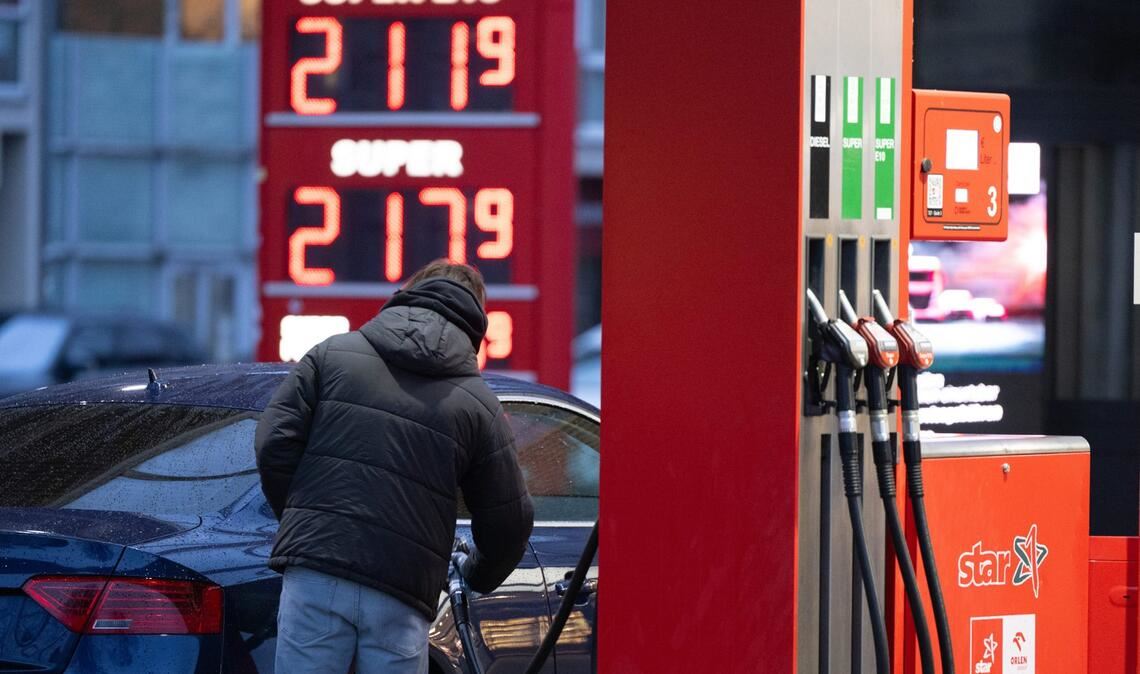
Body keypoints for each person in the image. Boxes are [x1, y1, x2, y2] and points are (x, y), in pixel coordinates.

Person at [255, 260, 534, 674]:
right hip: (401, 591)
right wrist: (477, 574)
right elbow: (510, 521)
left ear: (408, 294)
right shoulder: (479, 406)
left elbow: (273, 442)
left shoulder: (331, 355)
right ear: (476, 321)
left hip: (317, 572)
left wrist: (309, 523)